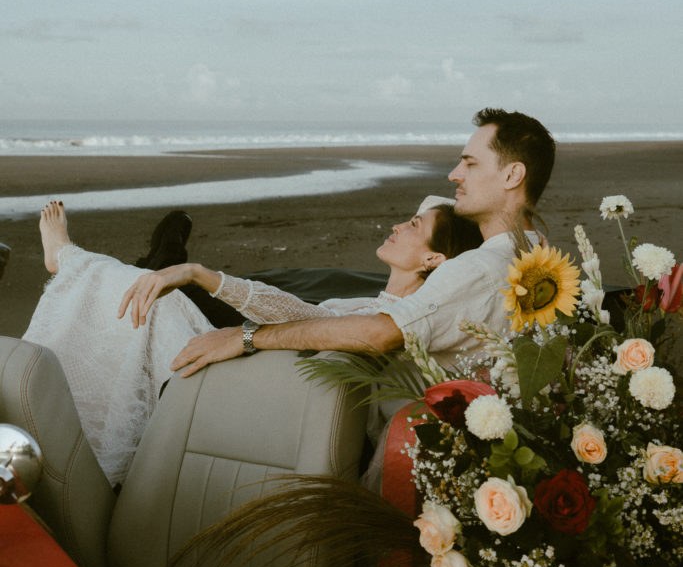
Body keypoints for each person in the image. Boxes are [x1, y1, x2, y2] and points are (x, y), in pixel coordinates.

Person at [27, 200, 481, 486]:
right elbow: (303, 311)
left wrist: (203, 279)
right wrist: (200, 277)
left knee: (147, 300)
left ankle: (68, 261)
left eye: (414, 225)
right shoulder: (372, 303)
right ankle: (155, 266)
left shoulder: (399, 322)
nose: (399, 225)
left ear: (432, 259)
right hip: (260, 383)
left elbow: (308, 318)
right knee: (158, 298)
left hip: (262, 400)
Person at [144, 108, 555, 379]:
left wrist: (247, 337)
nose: (454, 174)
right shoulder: (539, 264)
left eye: (469, 163)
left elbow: (382, 333)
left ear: (512, 175)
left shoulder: (480, 268)